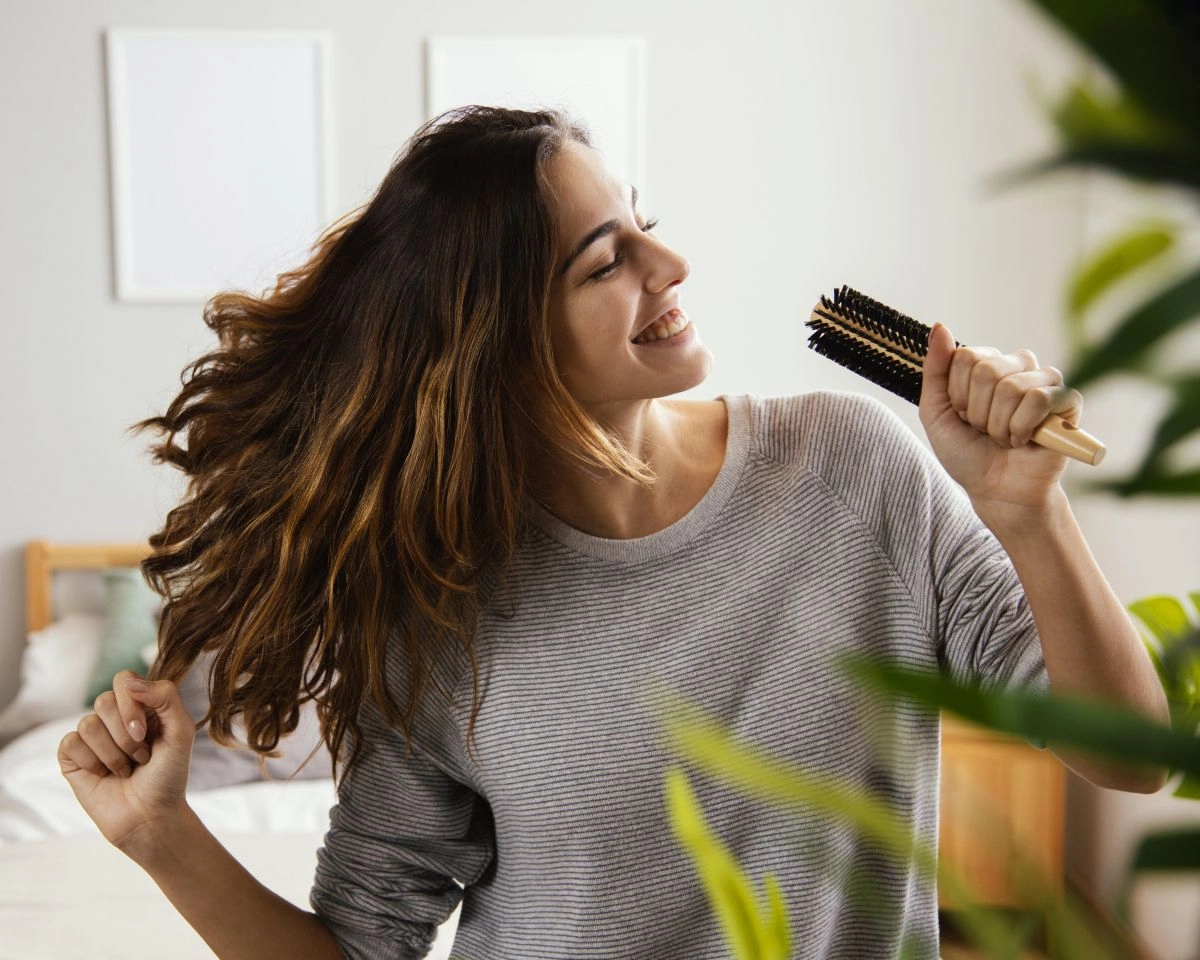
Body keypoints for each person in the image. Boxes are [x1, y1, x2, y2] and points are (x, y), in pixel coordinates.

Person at [57, 105, 1169, 960]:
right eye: (605, 262)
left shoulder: (856, 466)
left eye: (646, 223)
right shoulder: (444, 612)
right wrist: (162, 837)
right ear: (493, 346)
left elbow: (1127, 755)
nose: (670, 269)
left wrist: (1028, 512)